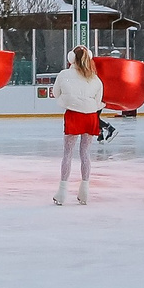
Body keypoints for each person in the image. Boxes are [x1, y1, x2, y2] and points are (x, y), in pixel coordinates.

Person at [53, 45, 104, 205]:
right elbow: (98, 100)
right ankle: (85, 192)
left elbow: (56, 93)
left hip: (74, 115)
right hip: (90, 116)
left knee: (68, 153)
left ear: (71, 58)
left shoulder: (64, 75)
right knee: (85, 153)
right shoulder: (95, 78)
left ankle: (61, 193)